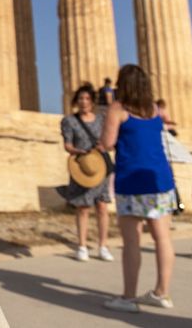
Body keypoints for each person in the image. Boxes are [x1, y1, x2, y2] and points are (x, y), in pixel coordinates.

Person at [100, 64, 177, 313]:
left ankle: (128, 297)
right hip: (160, 179)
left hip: (132, 180)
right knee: (163, 238)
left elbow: (108, 142)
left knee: (132, 241)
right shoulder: (154, 109)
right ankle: (161, 293)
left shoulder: (118, 109)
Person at [60, 84, 113, 261]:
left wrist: (103, 146)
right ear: (77, 101)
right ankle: (82, 245)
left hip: (100, 167)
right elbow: (67, 144)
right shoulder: (69, 121)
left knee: (102, 207)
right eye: (81, 99)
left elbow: (110, 141)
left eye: (87, 99)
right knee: (82, 208)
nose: (83, 102)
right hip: (82, 167)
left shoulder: (101, 119)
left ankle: (103, 245)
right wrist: (76, 151)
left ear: (92, 101)